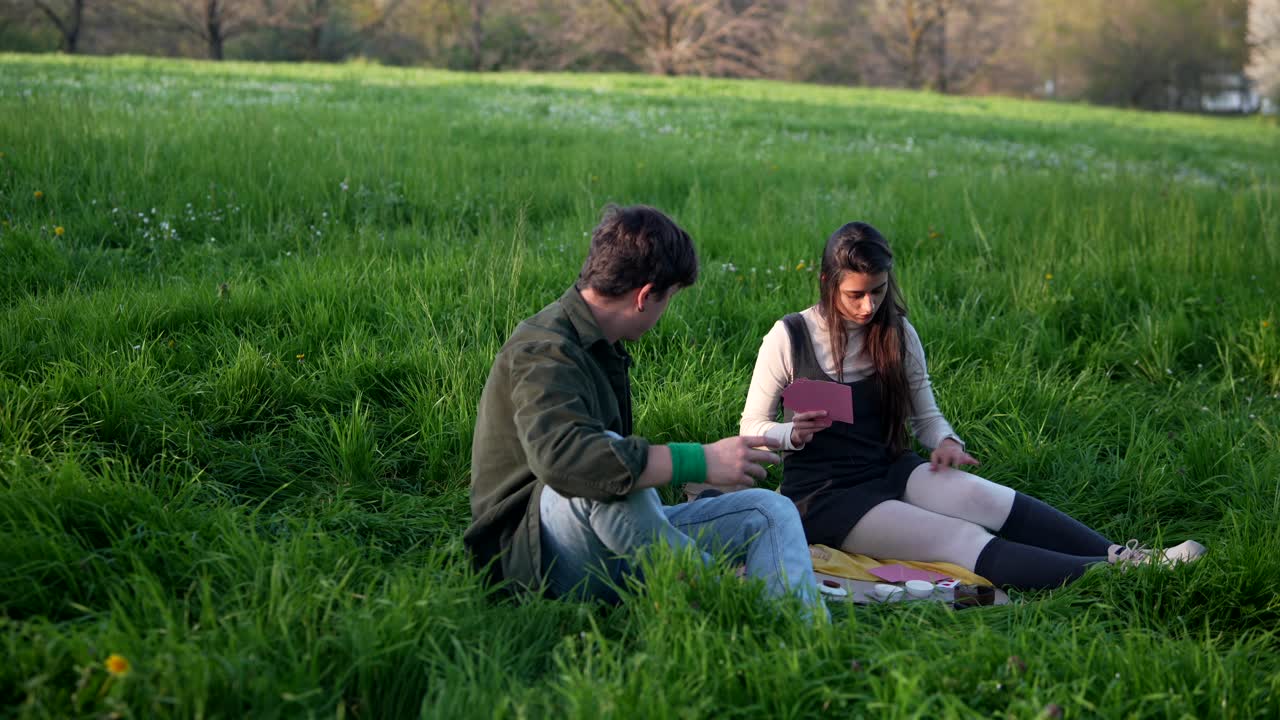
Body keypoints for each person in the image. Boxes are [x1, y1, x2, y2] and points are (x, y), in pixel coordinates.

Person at [740, 221, 1205, 589]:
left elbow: (925, 414)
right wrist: (789, 434)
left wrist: (944, 441)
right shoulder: (789, 337)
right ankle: (1115, 576)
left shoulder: (896, 332)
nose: (867, 307)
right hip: (826, 496)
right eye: (854, 295)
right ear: (826, 282)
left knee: (985, 497)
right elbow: (750, 428)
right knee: (960, 538)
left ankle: (1128, 555)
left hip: (889, 467)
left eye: (878, 291)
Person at [464, 204, 825, 617]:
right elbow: (566, 461)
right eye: (667, 299)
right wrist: (698, 459)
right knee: (603, 469)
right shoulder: (544, 350)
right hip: (534, 561)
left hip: (602, 533)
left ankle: (799, 630)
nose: (663, 312)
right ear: (643, 296)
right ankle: (727, 599)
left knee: (768, 510)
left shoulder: (600, 345)